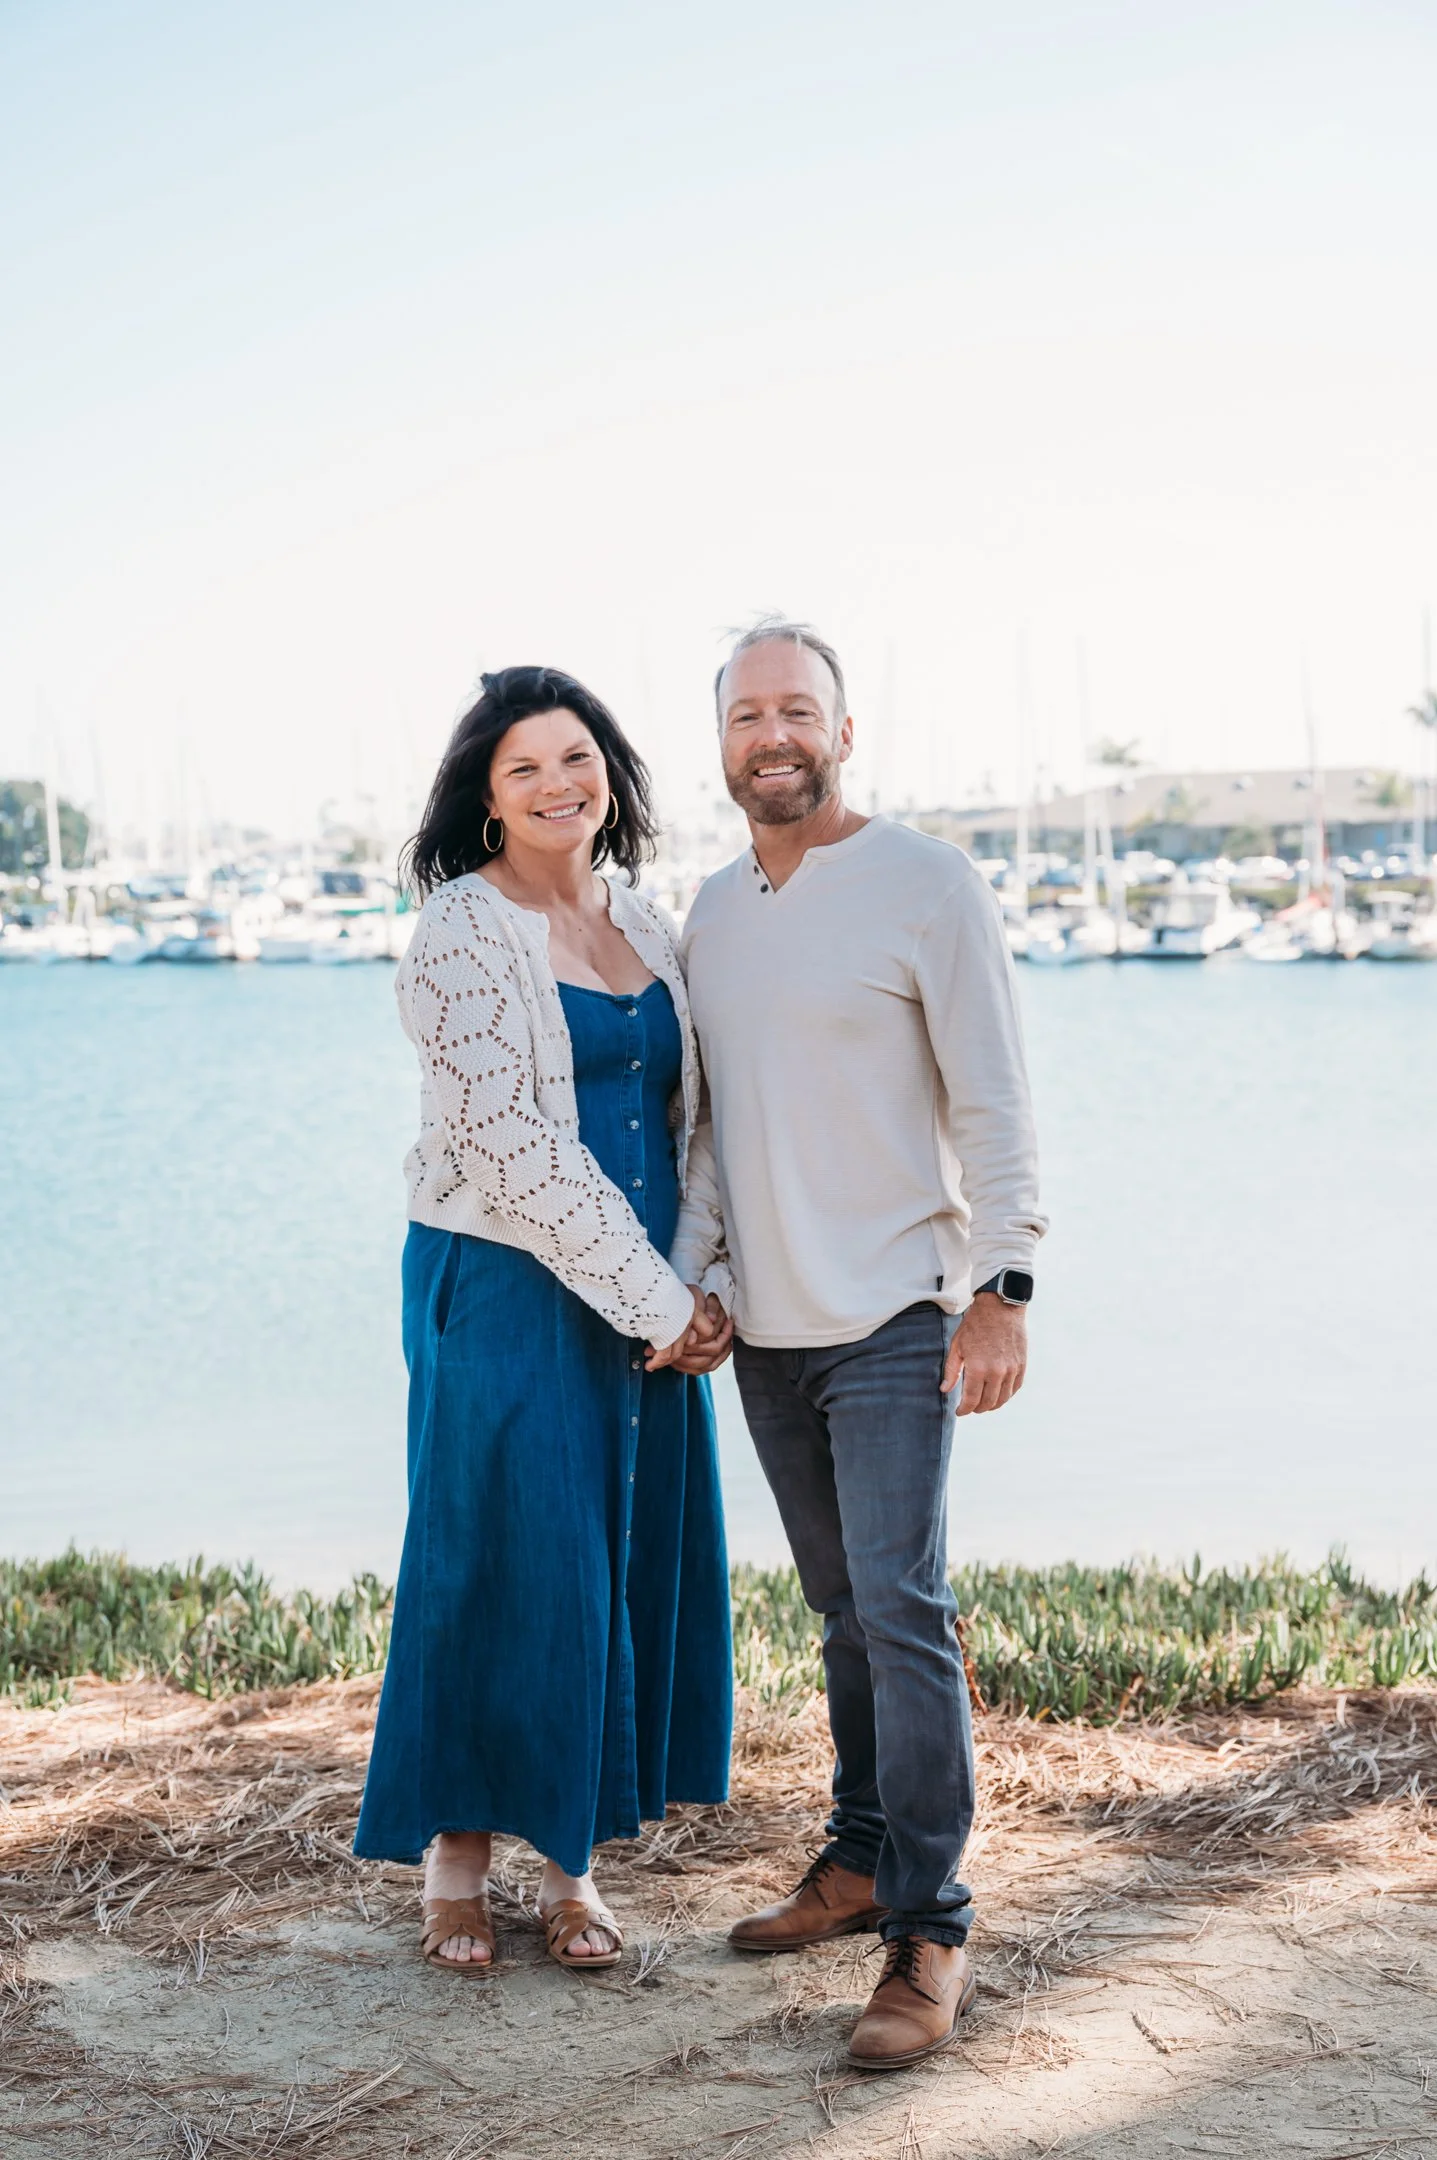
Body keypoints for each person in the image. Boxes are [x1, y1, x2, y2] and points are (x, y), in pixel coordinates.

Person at [669, 617, 1046, 2070]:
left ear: (843, 730)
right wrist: (696, 1280)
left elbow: (995, 1097)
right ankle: (859, 1856)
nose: (774, 734)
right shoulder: (709, 912)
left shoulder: (926, 882)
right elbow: (712, 1134)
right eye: (748, 713)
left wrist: (1004, 1285)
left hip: (898, 1307)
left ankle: (929, 1930)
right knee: (839, 1611)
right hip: (768, 1325)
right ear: (723, 743)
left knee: (902, 1607)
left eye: (798, 710)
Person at [354, 665, 735, 1978]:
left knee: (605, 1561)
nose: (556, 783)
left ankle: (573, 1870)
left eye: (575, 757)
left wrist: (695, 1282)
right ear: (486, 799)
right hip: (506, 1281)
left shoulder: (653, 922)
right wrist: (656, 1297)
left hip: (648, 1299)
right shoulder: (461, 931)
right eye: (524, 769)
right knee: (496, 1555)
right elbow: (512, 1150)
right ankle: (455, 1869)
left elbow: (704, 1120)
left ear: (612, 774)